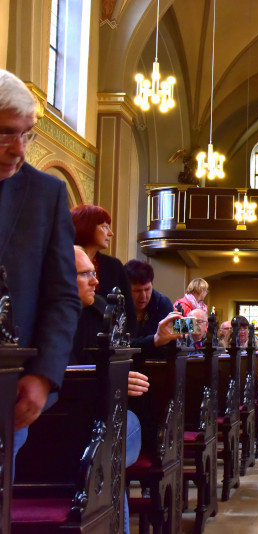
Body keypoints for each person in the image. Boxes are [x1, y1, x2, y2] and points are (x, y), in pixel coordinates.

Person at [0, 69, 82, 470]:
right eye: (6, 134)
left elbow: (62, 294)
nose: (19, 148)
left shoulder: (46, 194)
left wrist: (45, 375)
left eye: (28, 133)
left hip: (9, 388)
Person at [71, 246, 159, 534]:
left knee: (108, 449)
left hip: (110, 416)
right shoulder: (48, 320)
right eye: (86, 275)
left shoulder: (104, 316)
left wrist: (118, 378)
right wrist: (112, 379)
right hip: (70, 421)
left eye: (94, 273)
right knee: (101, 452)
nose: (96, 281)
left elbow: (127, 354)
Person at [71, 204, 136, 326]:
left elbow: (128, 314)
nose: (111, 233)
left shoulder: (114, 266)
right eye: (105, 227)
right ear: (86, 227)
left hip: (107, 339)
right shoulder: (62, 262)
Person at [124, 259, 175, 354]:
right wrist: (154, 340)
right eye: (137, 291)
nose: (143, 296)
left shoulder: (163, 303)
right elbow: (119, 346)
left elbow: (175, 339)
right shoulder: (117, 306)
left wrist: (194, 326)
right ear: (126, 288)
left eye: (147, 289)